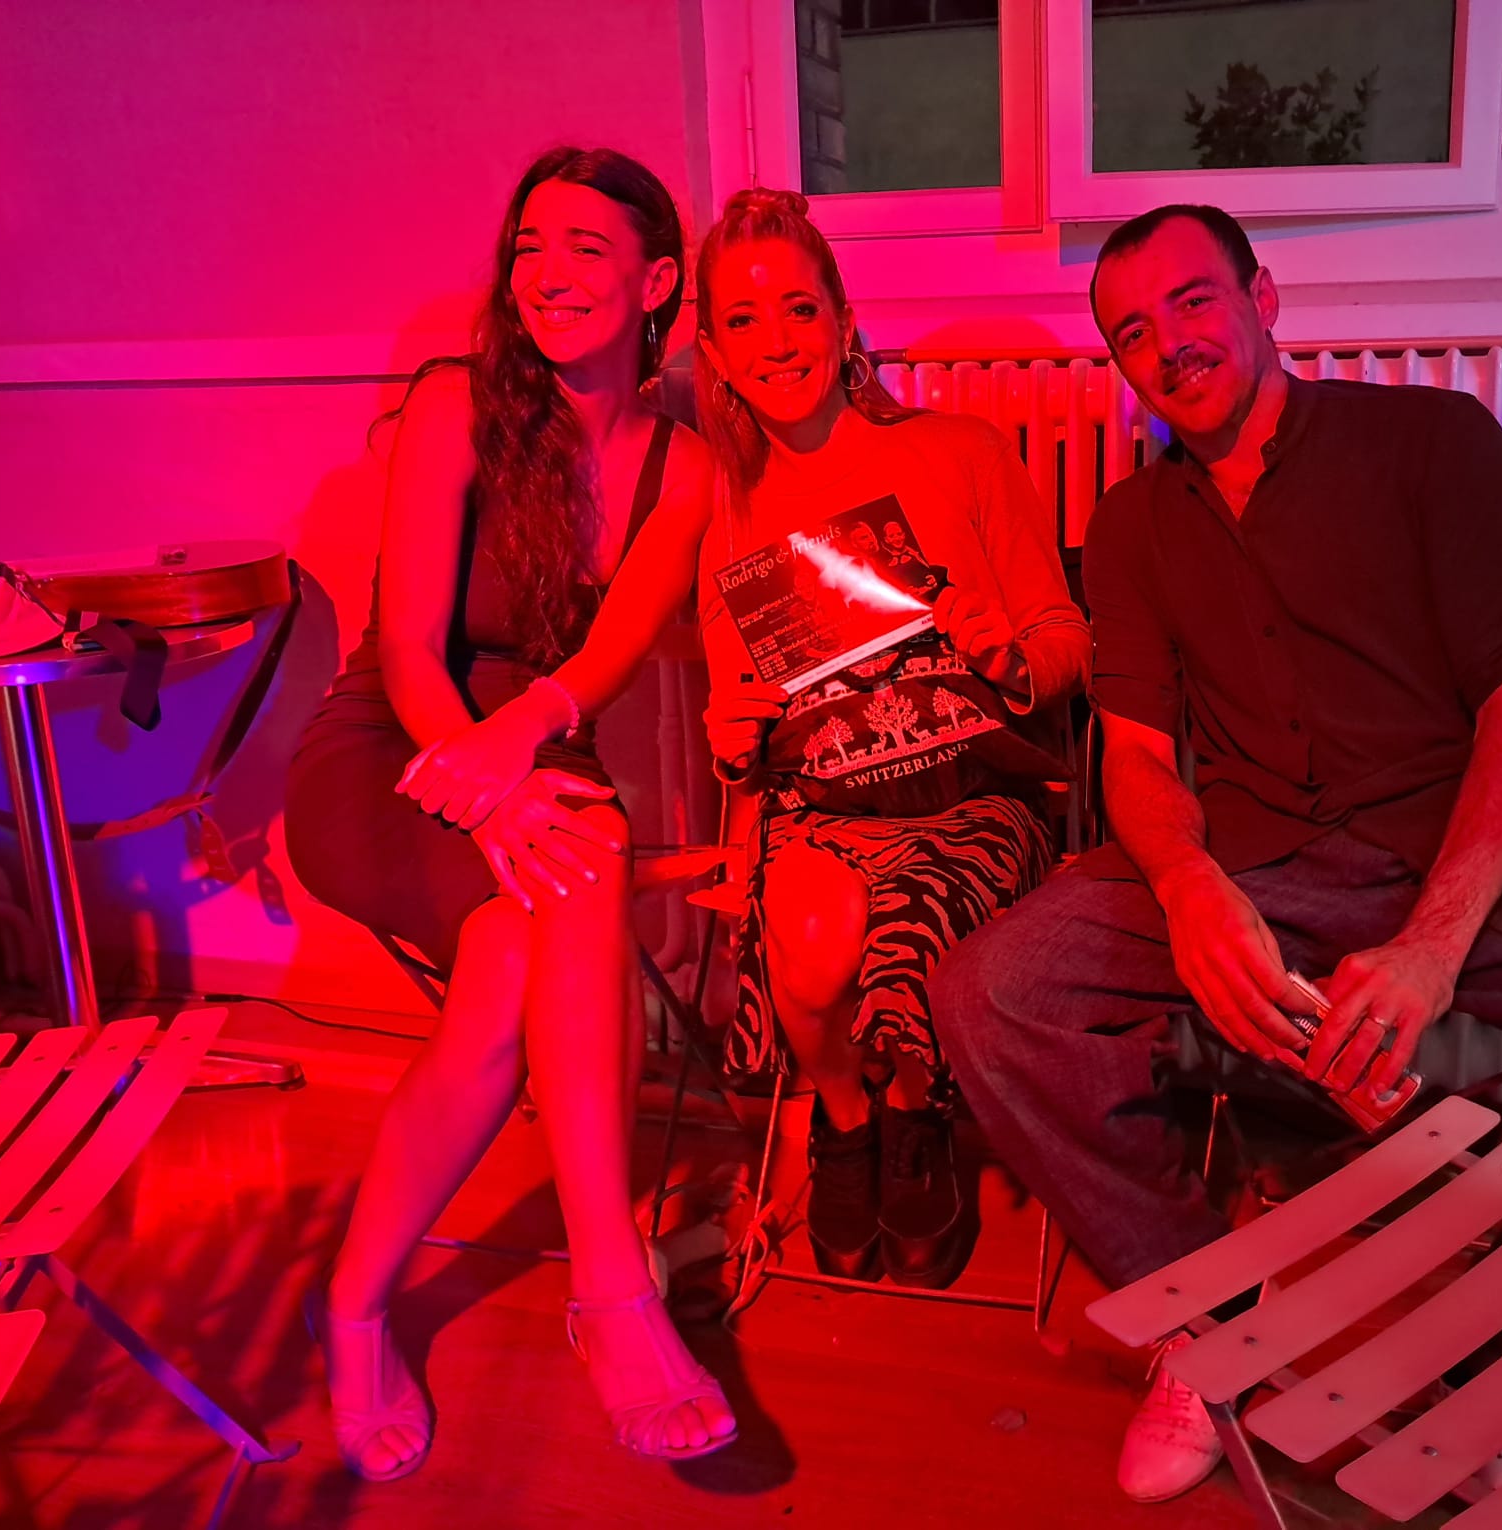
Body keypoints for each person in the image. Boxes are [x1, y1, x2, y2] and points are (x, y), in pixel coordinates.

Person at [928, 204, 1502, 1504]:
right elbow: (1139, 755)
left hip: (1470, 848)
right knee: (992, 991)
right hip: (1260, 860)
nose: (1168, 344)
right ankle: (1210, 1322)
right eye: (1133, 333)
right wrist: (1189, 886)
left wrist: (1435, 945)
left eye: (1193, 301)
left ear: (1263, 299)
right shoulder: (1133, 524)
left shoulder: (1432, 441)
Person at [284, 147, 735, 1477]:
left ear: (658, 282)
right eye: (530, 246)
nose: (547, 272)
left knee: (500, 989)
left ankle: (354, 1308)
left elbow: (600, 666)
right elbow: (408, 649)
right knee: (581, 849)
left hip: (535, 745)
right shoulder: (454, 404)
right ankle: (614, 1292)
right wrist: (486, 793)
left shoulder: (683, 470)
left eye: (587, 247)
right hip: (396, 750)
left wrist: (523, 755)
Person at [693, 188, 1089, 1289]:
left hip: (974, 797)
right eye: (743, 320)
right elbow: (740, 737)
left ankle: (919, 1106)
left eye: (800, 308)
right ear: (714, 355)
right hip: (822, 808)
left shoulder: (961, 453)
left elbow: (1067, 640)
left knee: (906, 932)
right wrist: (731, 742)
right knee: (815, 938)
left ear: (843, 318)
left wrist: (1010, 659)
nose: (778, 342)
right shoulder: (727, 515)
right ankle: (847, 1118)